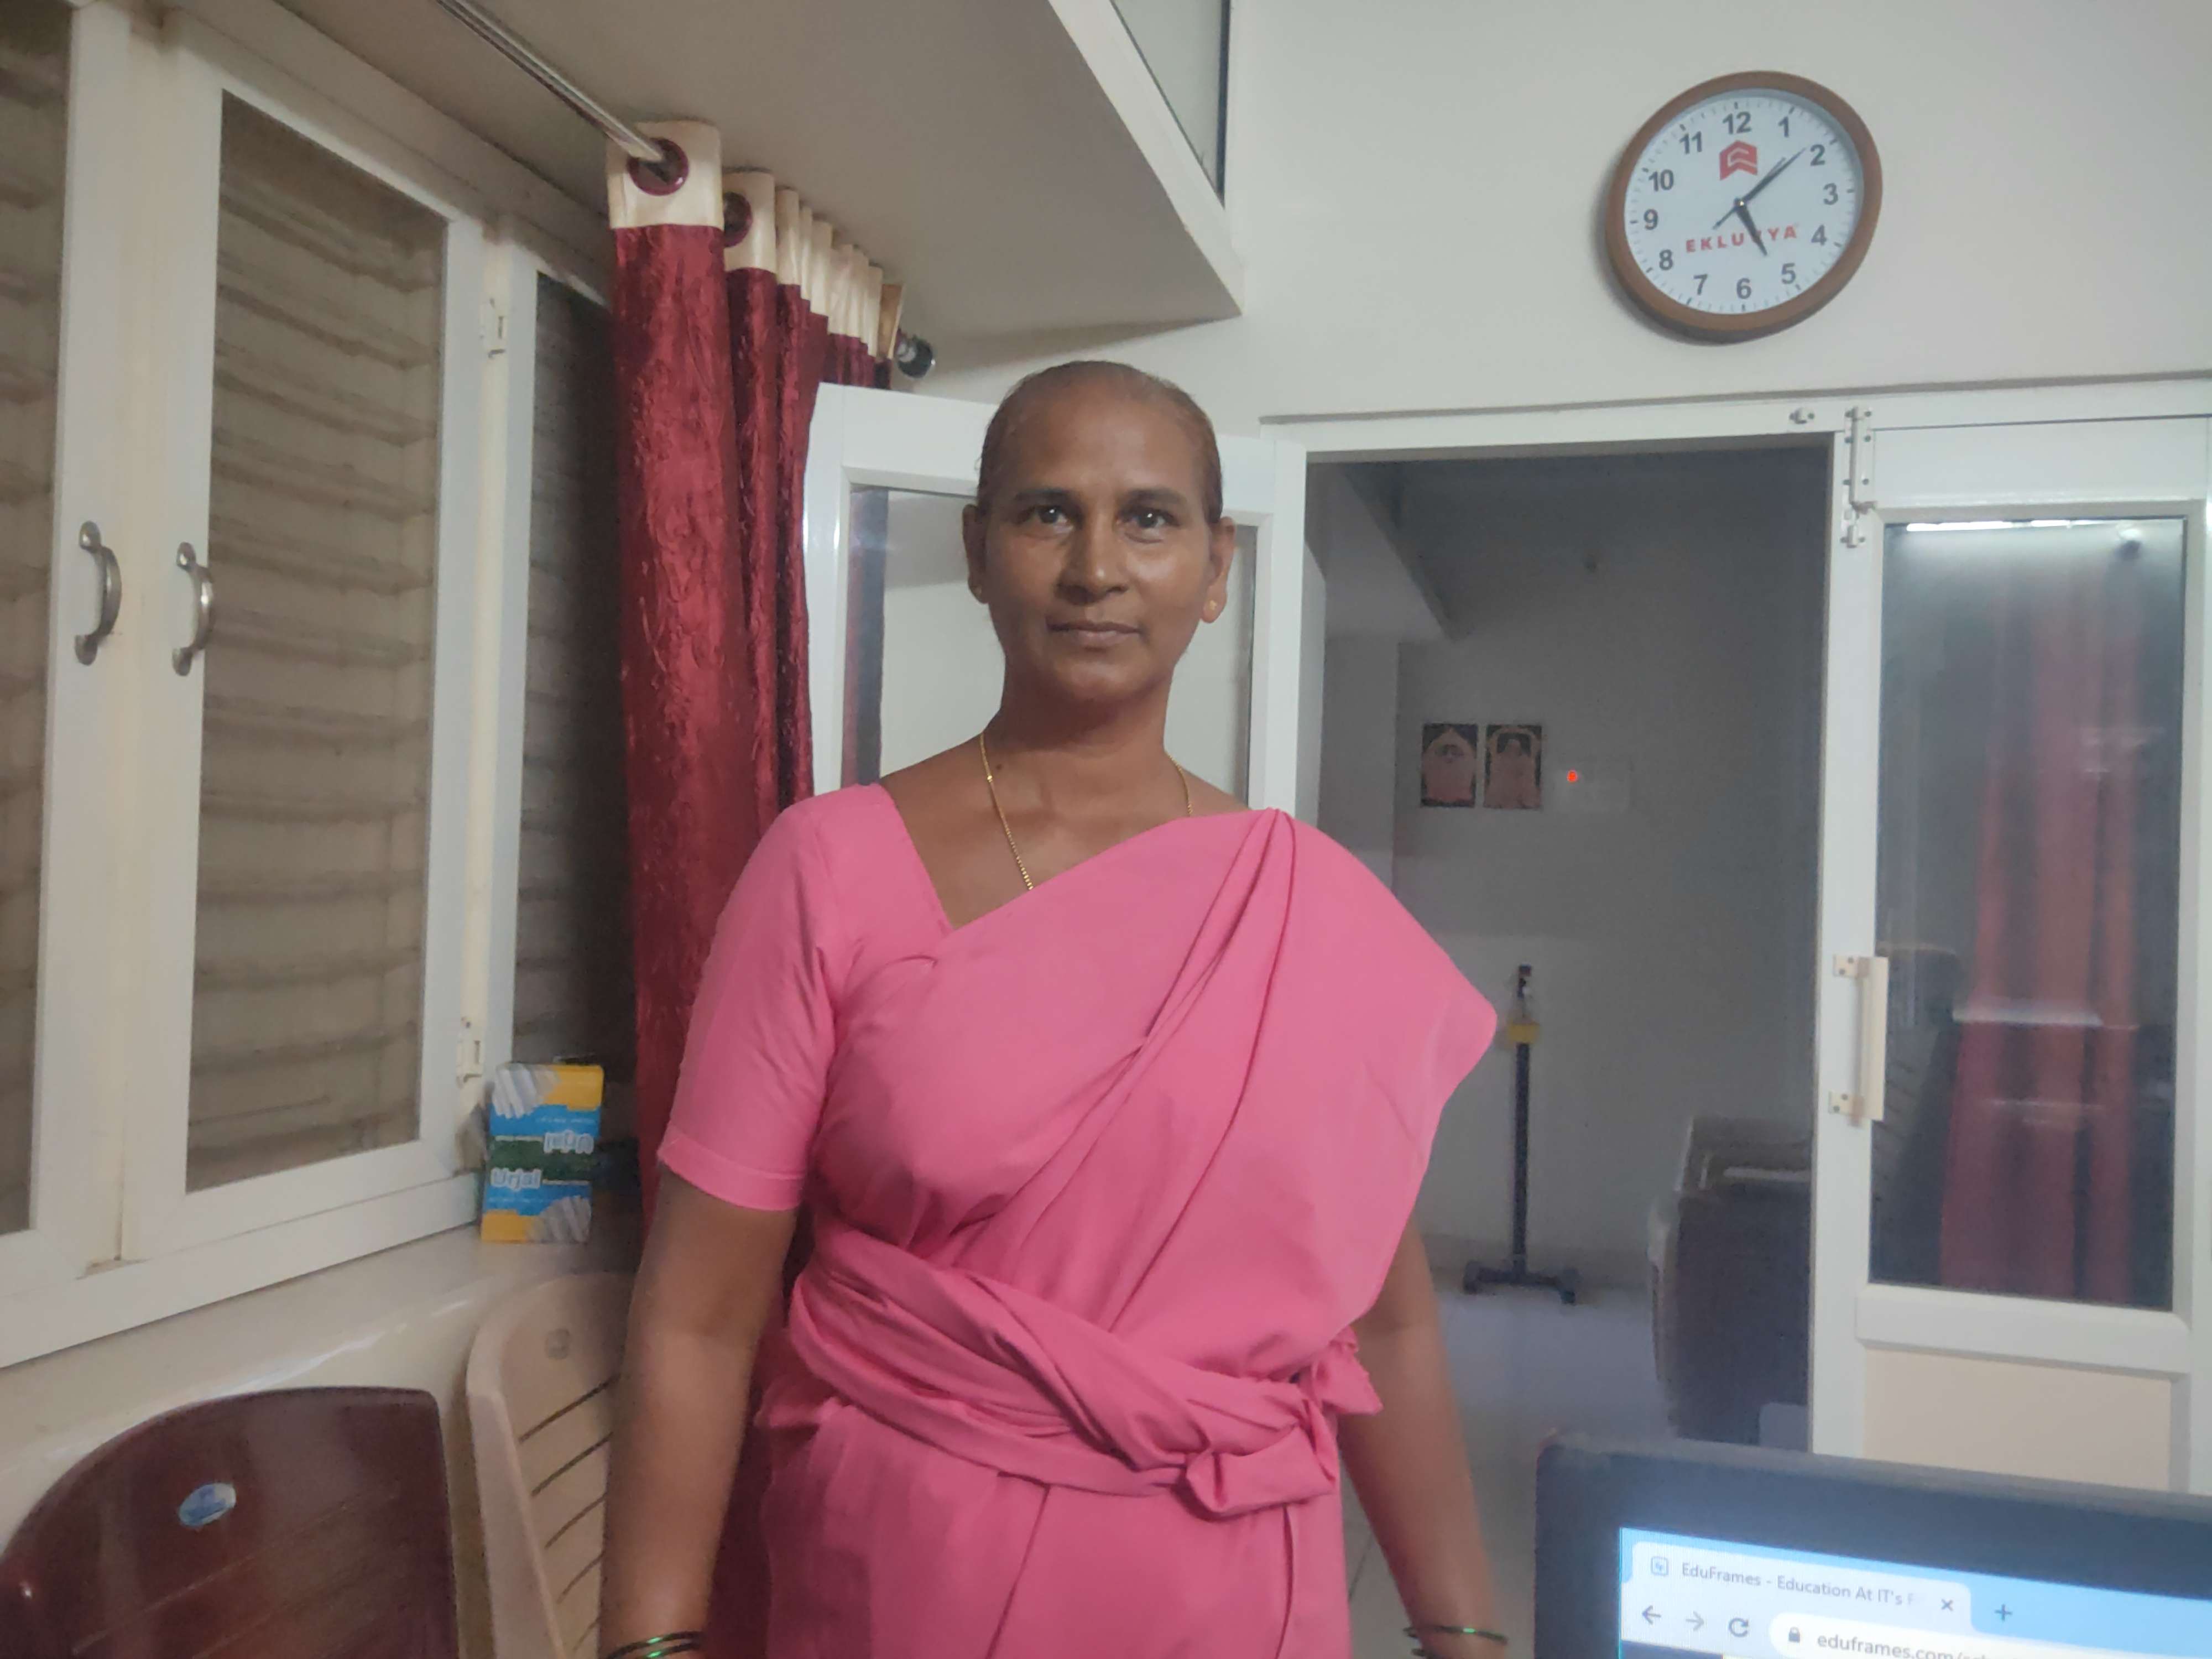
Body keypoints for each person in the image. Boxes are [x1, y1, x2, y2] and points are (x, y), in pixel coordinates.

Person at [599, 361, 1502, 1659]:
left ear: (1214, 569)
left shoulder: (1302, 907)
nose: (1095, 568)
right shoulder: (829, 869)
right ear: (978, 553)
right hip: (907, 1584)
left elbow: (1384, 1317)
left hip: (1235, 1592)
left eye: (1148, 518)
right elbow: (697, 1316)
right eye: (1045, 513)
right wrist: (650, 1643)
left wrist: (1461, 1630)